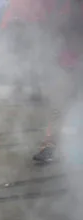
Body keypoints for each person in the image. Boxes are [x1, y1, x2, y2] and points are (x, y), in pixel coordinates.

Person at [32, 0, 83, 164]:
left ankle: (51, 145)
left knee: (61, 105)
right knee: (60, 104)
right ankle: (50, 145)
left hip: (69, 60)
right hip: (68, 61)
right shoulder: (66, 8)